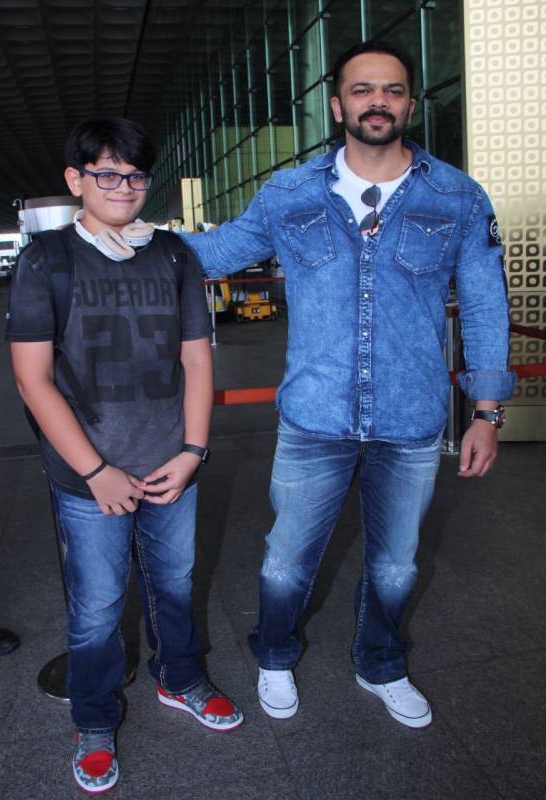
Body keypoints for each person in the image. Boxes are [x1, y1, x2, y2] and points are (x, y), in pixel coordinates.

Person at [179, 41, 514, 729]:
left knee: (396, 567)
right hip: (315, 415)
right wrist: (124, 236)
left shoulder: (457, 196)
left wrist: (486, 412)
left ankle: (381, 664)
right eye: (362, 90)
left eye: (392, 89)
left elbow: (485, 305)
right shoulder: (290, 193)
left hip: (411, 418)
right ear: (338, 106)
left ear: (410, 103)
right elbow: (216, 252)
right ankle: (275, 655)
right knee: (285, 562)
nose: (377, 102)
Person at [6, 117, 242, 794]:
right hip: (89, 476)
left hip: (171, 464)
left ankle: (181, 679)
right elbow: (32, 379)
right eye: (106, 173)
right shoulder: (45, 260)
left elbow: (197, 361)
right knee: (97, 606)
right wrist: (95, 471)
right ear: (75, 180)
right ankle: (94, 718)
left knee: (175, 585)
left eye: (135, 175)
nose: (123, 186)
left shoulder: (172, 255)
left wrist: (193, 450)